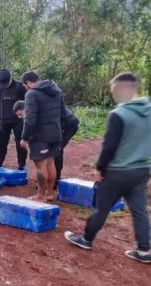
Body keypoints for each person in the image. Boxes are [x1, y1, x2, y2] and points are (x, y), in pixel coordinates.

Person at [64, 73, 151, 264]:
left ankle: (86, 239)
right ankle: (145, 250)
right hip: (142, 169)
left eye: (114, 90)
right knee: (139, 209)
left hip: (118, 171)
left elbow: (110, 146)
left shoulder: (119, 114)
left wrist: (101, 167)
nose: (113, 95)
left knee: (102, 207)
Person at [20, 71, 66, 202]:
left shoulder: (32, 94)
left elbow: (30, 119)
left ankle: (40, 195)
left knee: (41, 166)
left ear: (28, 82)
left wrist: (25, 138)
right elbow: (63, 113)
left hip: (40, 137)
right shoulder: (56, 91)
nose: (26, 88)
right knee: (50, 163)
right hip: (55, 134)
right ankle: (50, 193)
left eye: (25, 85)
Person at [14, 99, 80, 190]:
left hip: (68, 124)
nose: (21, 117)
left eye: (21, 114)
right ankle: (51, 181)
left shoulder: (35, 111)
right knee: (53, 149)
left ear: (25, 109)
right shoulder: (34, 109)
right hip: (58, 124)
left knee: (57, 150)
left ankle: (55, 182)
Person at [0, 69, 28, 170]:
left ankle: (21, 165)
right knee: (2, 142)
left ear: (10, 78)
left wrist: (25, 116)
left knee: (20, 143)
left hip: (19, 120)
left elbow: (28, 102)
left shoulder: (20, 87)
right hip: (4, 120)